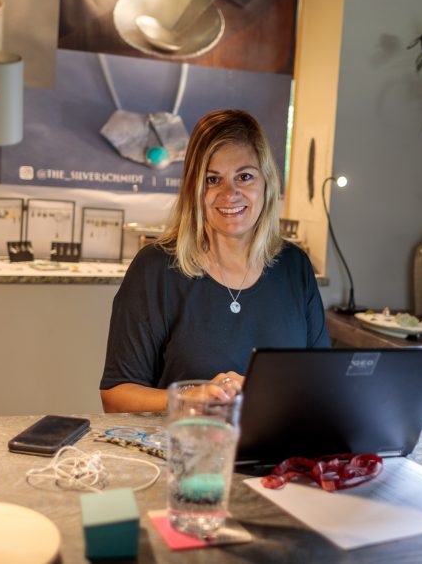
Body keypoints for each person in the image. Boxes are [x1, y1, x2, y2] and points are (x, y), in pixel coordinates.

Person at [99, 109, 329, 412]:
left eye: (244, 176)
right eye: (212, 179)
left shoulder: (294, 266)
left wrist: (259, 388)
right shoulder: (155, 268)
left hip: (278, 453)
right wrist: (187, 396)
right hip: (189, 450)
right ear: (195, 189)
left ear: (267, 183)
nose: (229, 193)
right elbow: (115, 397)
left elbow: (322, 382)